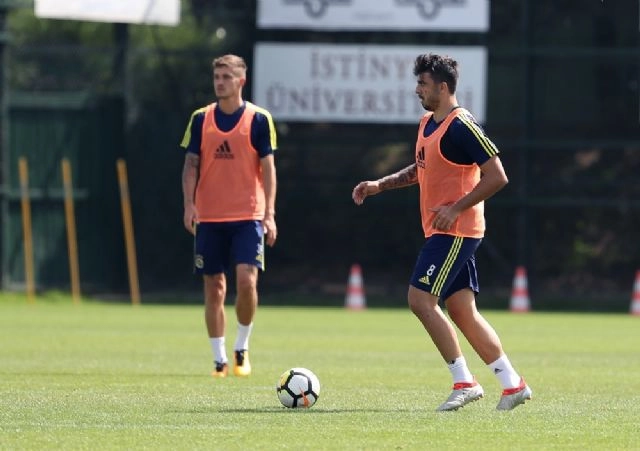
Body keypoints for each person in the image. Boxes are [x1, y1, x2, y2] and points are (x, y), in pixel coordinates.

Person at [352, 53, 532, 411]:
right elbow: (421, 169)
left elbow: (497, 176)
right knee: (462, 311)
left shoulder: (462, 125)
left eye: (423, 83)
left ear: (443, 87)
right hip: (444, 230)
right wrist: (379, 185)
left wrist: (456, 208)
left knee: (420, 300)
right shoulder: (427, 123)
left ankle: (465, 382)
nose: (417, 89)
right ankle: (512, 384)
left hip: (456, 231)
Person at [180, 54, 278, 378]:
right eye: (217, 77)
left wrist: (270, 214)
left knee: (247, 281)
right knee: (214, 287)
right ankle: (219, 359)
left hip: (248, 215)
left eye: (226, 77)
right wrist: (189, 205)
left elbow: (268, 169)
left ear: (241, 81)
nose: (220, 82)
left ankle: (241, 347)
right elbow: (190, 164)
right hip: (209, 216)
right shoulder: (200, 119)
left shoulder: (258, 119)